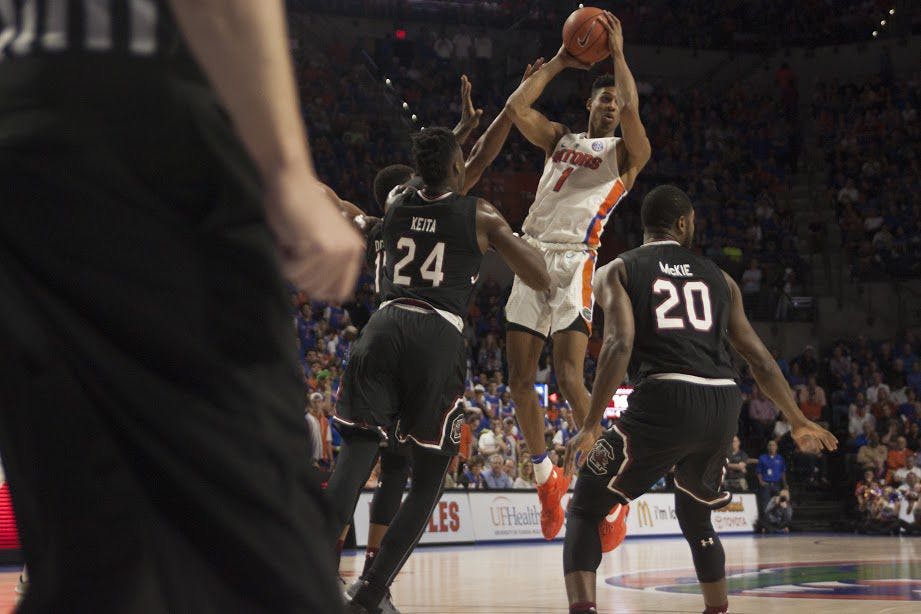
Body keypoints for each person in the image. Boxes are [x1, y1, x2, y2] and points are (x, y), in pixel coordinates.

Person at [0, 2, 365, 612]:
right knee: (273, 556)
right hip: (140, 126)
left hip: (20, 134)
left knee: (93, 563)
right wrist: (287, 171)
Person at [561, 185, 836, 614]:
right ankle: (716, 609)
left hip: (666, 397)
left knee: (583, 509)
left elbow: (618, 343)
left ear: (646, 226)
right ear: (684, 222)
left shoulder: (618, 269)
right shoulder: (720, 278)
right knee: (695, 516)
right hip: (723, 402)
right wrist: (797, 419)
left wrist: (592, 421)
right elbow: (759, 359)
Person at [325, 127, 550, 614]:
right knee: (428, 476)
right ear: (456, 169)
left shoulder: (397, 202)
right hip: (437, 336)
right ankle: (372, 589)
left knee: (355, 455)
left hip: (383, 325)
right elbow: (539, 275)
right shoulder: (481, 214)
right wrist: (518, 241)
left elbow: (413, 177)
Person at [503, 11, 651, 540]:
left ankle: (612, 494)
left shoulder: (626, 156)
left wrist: (617, 54)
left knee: (568, 377)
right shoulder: (560, 139)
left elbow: (633, 105)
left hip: (575, 261)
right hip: (530, 254)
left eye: (615, 100)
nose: (611, 104)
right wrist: (562, 61)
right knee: (519, 380)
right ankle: (546, 480)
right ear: (589, 104)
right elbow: (516, 107)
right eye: (602, 98)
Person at [756, 440, 788, 517]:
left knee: (778, 504)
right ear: (767, 447)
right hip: (766, 485)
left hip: (777, 484)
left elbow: (783, 472)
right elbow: (758, 471)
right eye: (770, 445)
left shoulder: (780, 458)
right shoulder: (762, 458)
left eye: (773, 445)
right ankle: (765, 524)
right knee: (765, 505)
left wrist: (785, 484)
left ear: (776, 447)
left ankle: (777, 523)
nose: (772, 447)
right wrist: (760, 481)